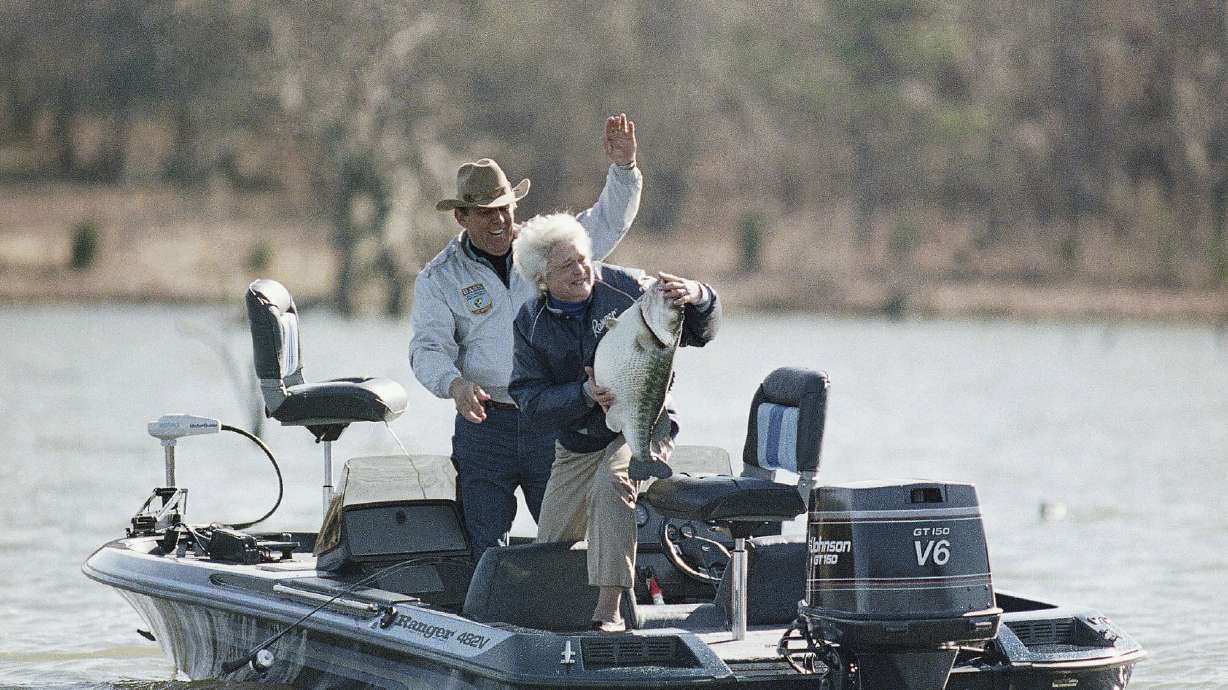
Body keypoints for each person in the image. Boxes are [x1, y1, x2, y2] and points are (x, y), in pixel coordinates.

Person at [410, 115, 640, 560]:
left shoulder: (547, 248)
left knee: (567, 543)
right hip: (485, 426)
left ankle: (580, 622)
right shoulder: (440, 277)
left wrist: (624, 169)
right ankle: (484, 626)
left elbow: (607, 221)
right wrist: (454, 385)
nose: (498, 221)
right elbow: (426, 350)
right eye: (485, 212)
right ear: (461, 216)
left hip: (553, 415)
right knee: (483, 544)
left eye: (504, 209)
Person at [508, 213, 721, 631]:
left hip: (644, 424)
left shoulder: (627, 288)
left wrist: (699, 295)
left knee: (612, 484)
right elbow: (529, 401)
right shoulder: (530, 322)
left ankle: (610, 613)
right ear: (542, 279)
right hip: (578, 440)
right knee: (551, 540)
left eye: (584, 259)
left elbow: (698, 331)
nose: (581, 270)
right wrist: (582, 394)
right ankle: (557, 621)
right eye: (567, 266)